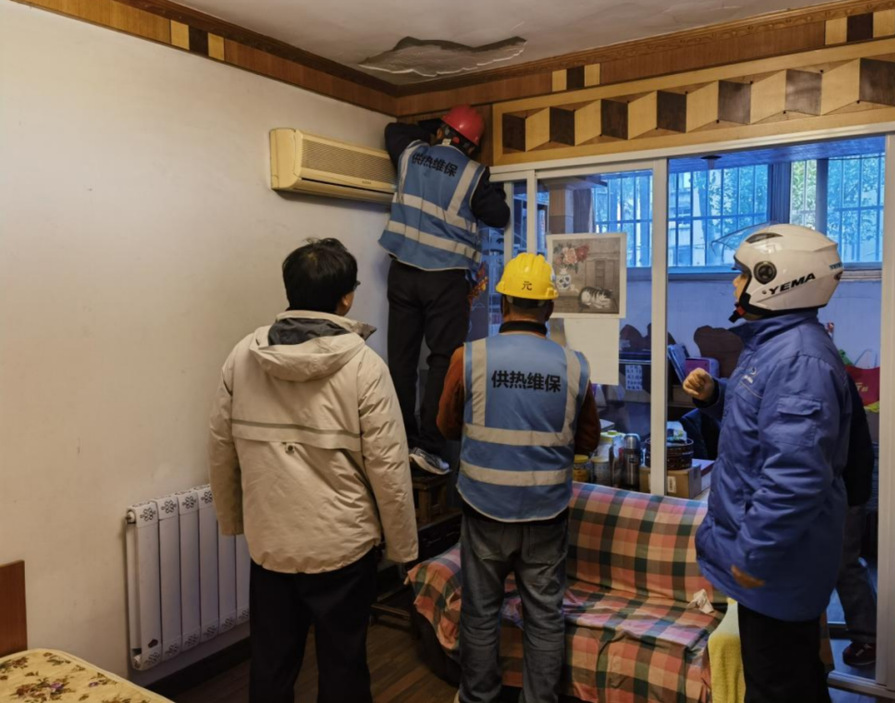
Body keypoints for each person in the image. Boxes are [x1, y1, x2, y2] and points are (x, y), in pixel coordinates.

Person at [208, 238, 419, 703]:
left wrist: (234, 519)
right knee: (343, 665)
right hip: (343, 546)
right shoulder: (364, 366)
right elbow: (388, 466)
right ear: (346, 297)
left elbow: (221, 447)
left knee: (271, 664)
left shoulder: (242, 355)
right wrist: (403, 547)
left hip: (271, 543)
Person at [682, 224, 852, 703]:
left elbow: (795, 476)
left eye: (742, 274)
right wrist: (717, 397)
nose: (734, 283)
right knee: (793, 682)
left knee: (777, 687)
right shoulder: (776, 345)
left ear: (777, 280)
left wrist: (752, 555)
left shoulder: (798, 359)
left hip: (776, 568)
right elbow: (766, 427)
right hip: (775, 567)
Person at [437, 253, 601, 703]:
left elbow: (446, 426)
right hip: (547, 512)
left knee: (480, 612)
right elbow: (588, 440)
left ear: (503, 302)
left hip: (483, 508)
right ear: (549, 307)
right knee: (544, 616)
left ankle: (478, 697)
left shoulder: (469, 357)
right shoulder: (575, 365)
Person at [380, 105, 511, 476]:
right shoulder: (473, 174)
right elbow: (500, 216)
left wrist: (427, 131)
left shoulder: (411, 154)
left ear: (441, 132)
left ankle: (401, 439)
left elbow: (393, 129)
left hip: (403, 272)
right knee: (441, 360)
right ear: (472, 146)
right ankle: (429, 447)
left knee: (401, 360)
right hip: (445, 278)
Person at [836, 377, 878, 667]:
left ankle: (869, 638)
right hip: (849, 484)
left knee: (845, 564)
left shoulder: (828, 378)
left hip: (848, 488)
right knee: (844, 563)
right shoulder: (836, 376)